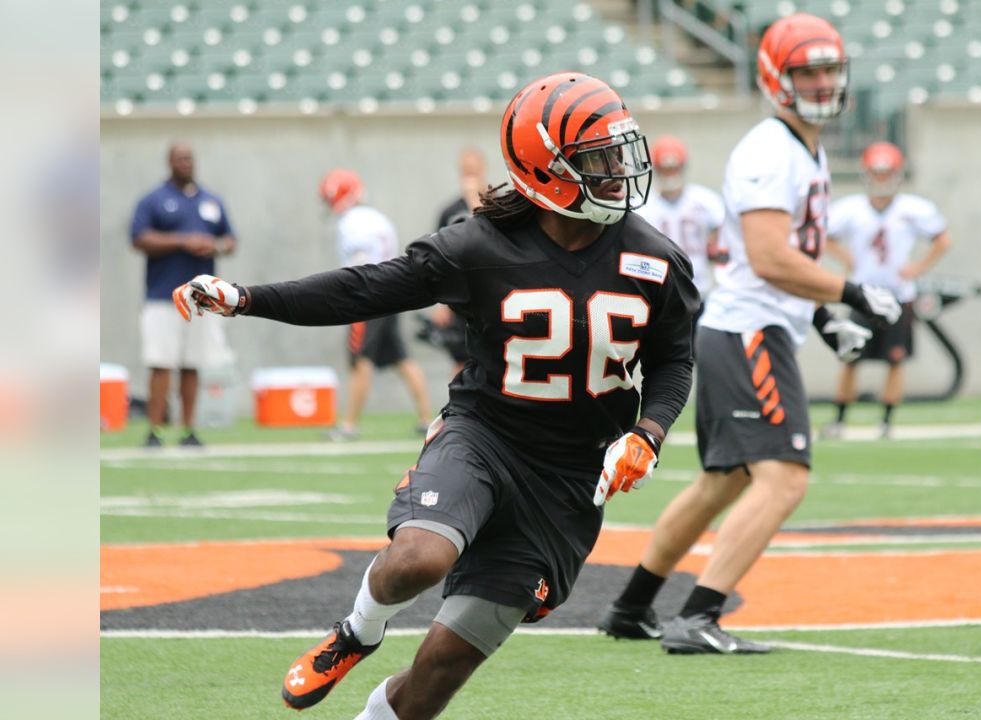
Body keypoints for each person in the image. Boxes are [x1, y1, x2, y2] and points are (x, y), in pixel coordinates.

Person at [174, 72, 698, 720]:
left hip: (570, 477)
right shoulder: (482, 246)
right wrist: (249, 299)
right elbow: (365, 288)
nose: (617, 171)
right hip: (486, 437)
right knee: (419, 558)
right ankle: (356, 632)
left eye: (619, 152)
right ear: (547, 168)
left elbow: (674, 358)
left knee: (438, 672)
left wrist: (648, 433)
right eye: (597, 158)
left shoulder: (654, 260)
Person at [598, 13, 897, 655]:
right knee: (784, 476)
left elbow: (771, 255)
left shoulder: (800, 146)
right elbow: (766, 256)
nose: (821, 82)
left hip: (749, 326)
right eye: (807, 71)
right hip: (746, 329)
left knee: (724, 481)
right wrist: (851, 291)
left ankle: (631, 607)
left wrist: (823, 316)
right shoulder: (770, 149)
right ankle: (699, 615)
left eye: (828, 70)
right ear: (775, 78)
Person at [824, 141, 951, 439]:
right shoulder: (851, 209)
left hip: (897, 294)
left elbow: (943, 239)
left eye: (886, 174)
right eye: (877, 174)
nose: (881, 181)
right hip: (861, 295)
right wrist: (846, 259)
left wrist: (918, 268)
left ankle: (886, 421)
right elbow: (824, 236)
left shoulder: (912, 209)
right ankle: (840, 420)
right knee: (849, 356)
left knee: (895, 359)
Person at [130, 142, 236, 448]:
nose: (186, 163)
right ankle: (156, 430)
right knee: (161, 363)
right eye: (180, 159)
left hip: (201, 298)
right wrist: (182, 241)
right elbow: (139, 237)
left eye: (190, 158)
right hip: (163, 295)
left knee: (193, 364)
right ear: (170, 162)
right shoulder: (155, 200)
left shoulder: (210, 201)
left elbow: (230, 239)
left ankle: (188, 429)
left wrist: (213, 245)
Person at [318, 168, 433, 441]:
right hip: (391, 294)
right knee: (401, 358)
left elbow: (359, 264)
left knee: (359, 359)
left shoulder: (352, 223)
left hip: (367, 296)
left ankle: (348, 424)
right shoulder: (376, 218)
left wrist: (350, 296)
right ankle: (427, 418)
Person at [633, 135, 726, 306]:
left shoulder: (706, 201)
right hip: (660, 295)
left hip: (700, 291)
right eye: (665, 169)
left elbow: (721, 242)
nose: (670, 175)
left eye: (674, 168)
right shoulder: (642, 207)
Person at [419, 148, 488, 372]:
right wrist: (442, 301)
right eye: (466, 172)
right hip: (461, 293)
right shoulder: (450, 211)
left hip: (491, 289)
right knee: (460, 357)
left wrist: (473, 199)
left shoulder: (498, 205)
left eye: (474, 172)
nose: (470, 177)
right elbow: (439, 257)